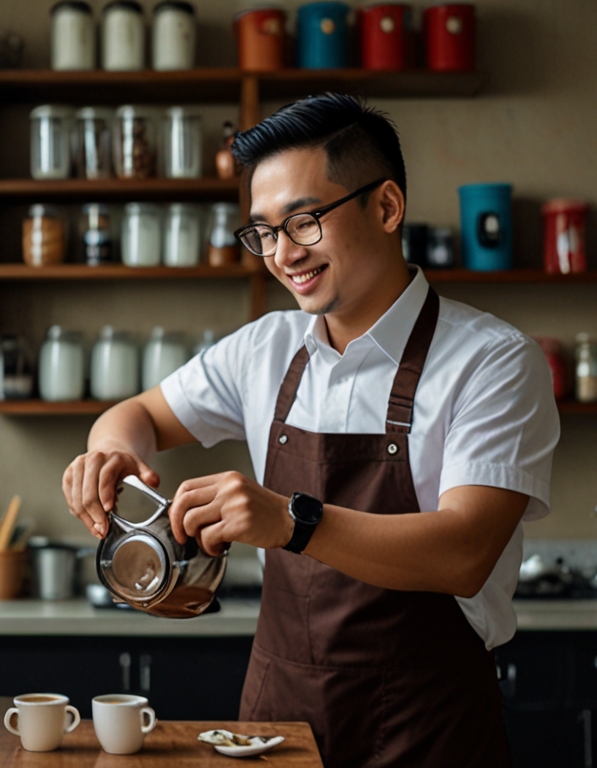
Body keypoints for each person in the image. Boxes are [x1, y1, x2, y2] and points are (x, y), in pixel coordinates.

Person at [62, 94, 559, 767]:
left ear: (386, 207)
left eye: (302, 221)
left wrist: (289, 521)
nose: (281, 253)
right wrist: (110, 450)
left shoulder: (492, 360)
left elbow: (464, 551)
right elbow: (142, 415)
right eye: (263, 231)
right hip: (276, 726)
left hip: (429, 729)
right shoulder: (266, 348)